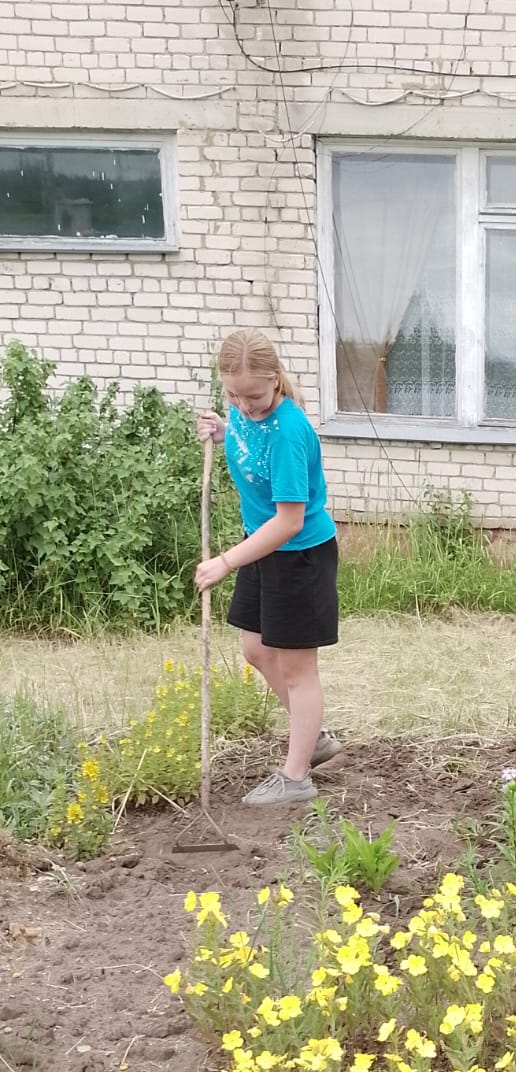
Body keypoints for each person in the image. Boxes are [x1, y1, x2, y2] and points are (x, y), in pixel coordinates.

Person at [195, 330, 342, 806]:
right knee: (256, 649)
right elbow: (246, 436)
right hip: (263, 550)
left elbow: (289, 519)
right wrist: (223, 429)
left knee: (299, 669)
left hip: (297, 555)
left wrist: (225, 561)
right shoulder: (245, 416)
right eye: (232, 395)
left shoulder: (288, 432)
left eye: (253, 395)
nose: (243, 404)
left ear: (275, 380)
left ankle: (297, 776)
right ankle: (313, 734)